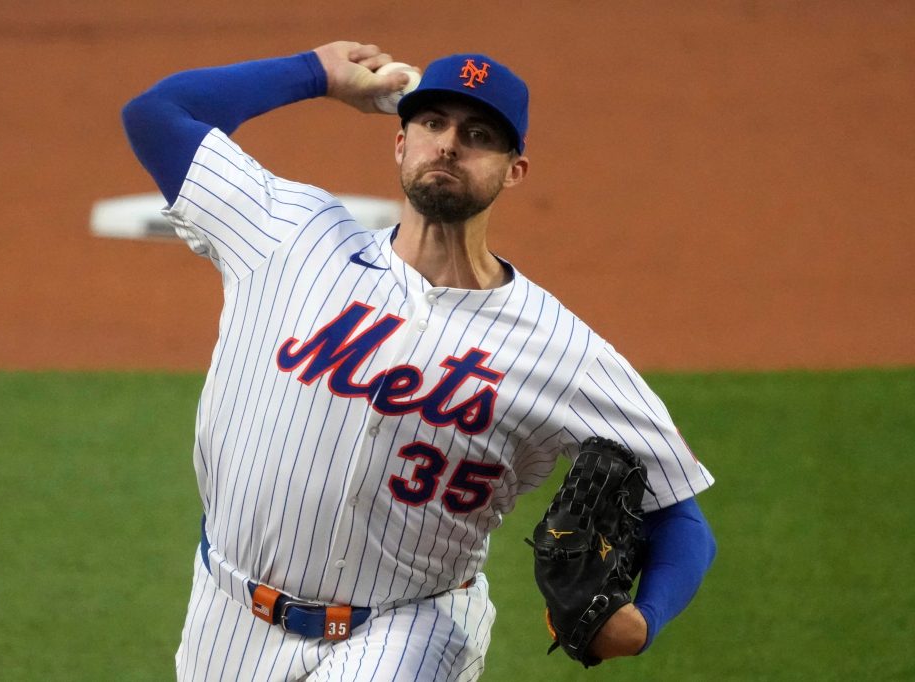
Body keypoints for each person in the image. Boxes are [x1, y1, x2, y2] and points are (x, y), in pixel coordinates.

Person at [122, 41, 716, 681]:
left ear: (514, 170)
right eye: (433, 123)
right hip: (226, 612)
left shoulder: (564, 353)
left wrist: (644, 619)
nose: (450, 144)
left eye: (479, 135)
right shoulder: (287, 234)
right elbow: (157, 114)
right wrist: (317, 72)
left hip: (409, 630)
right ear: (401, 143)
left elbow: (679, 513)